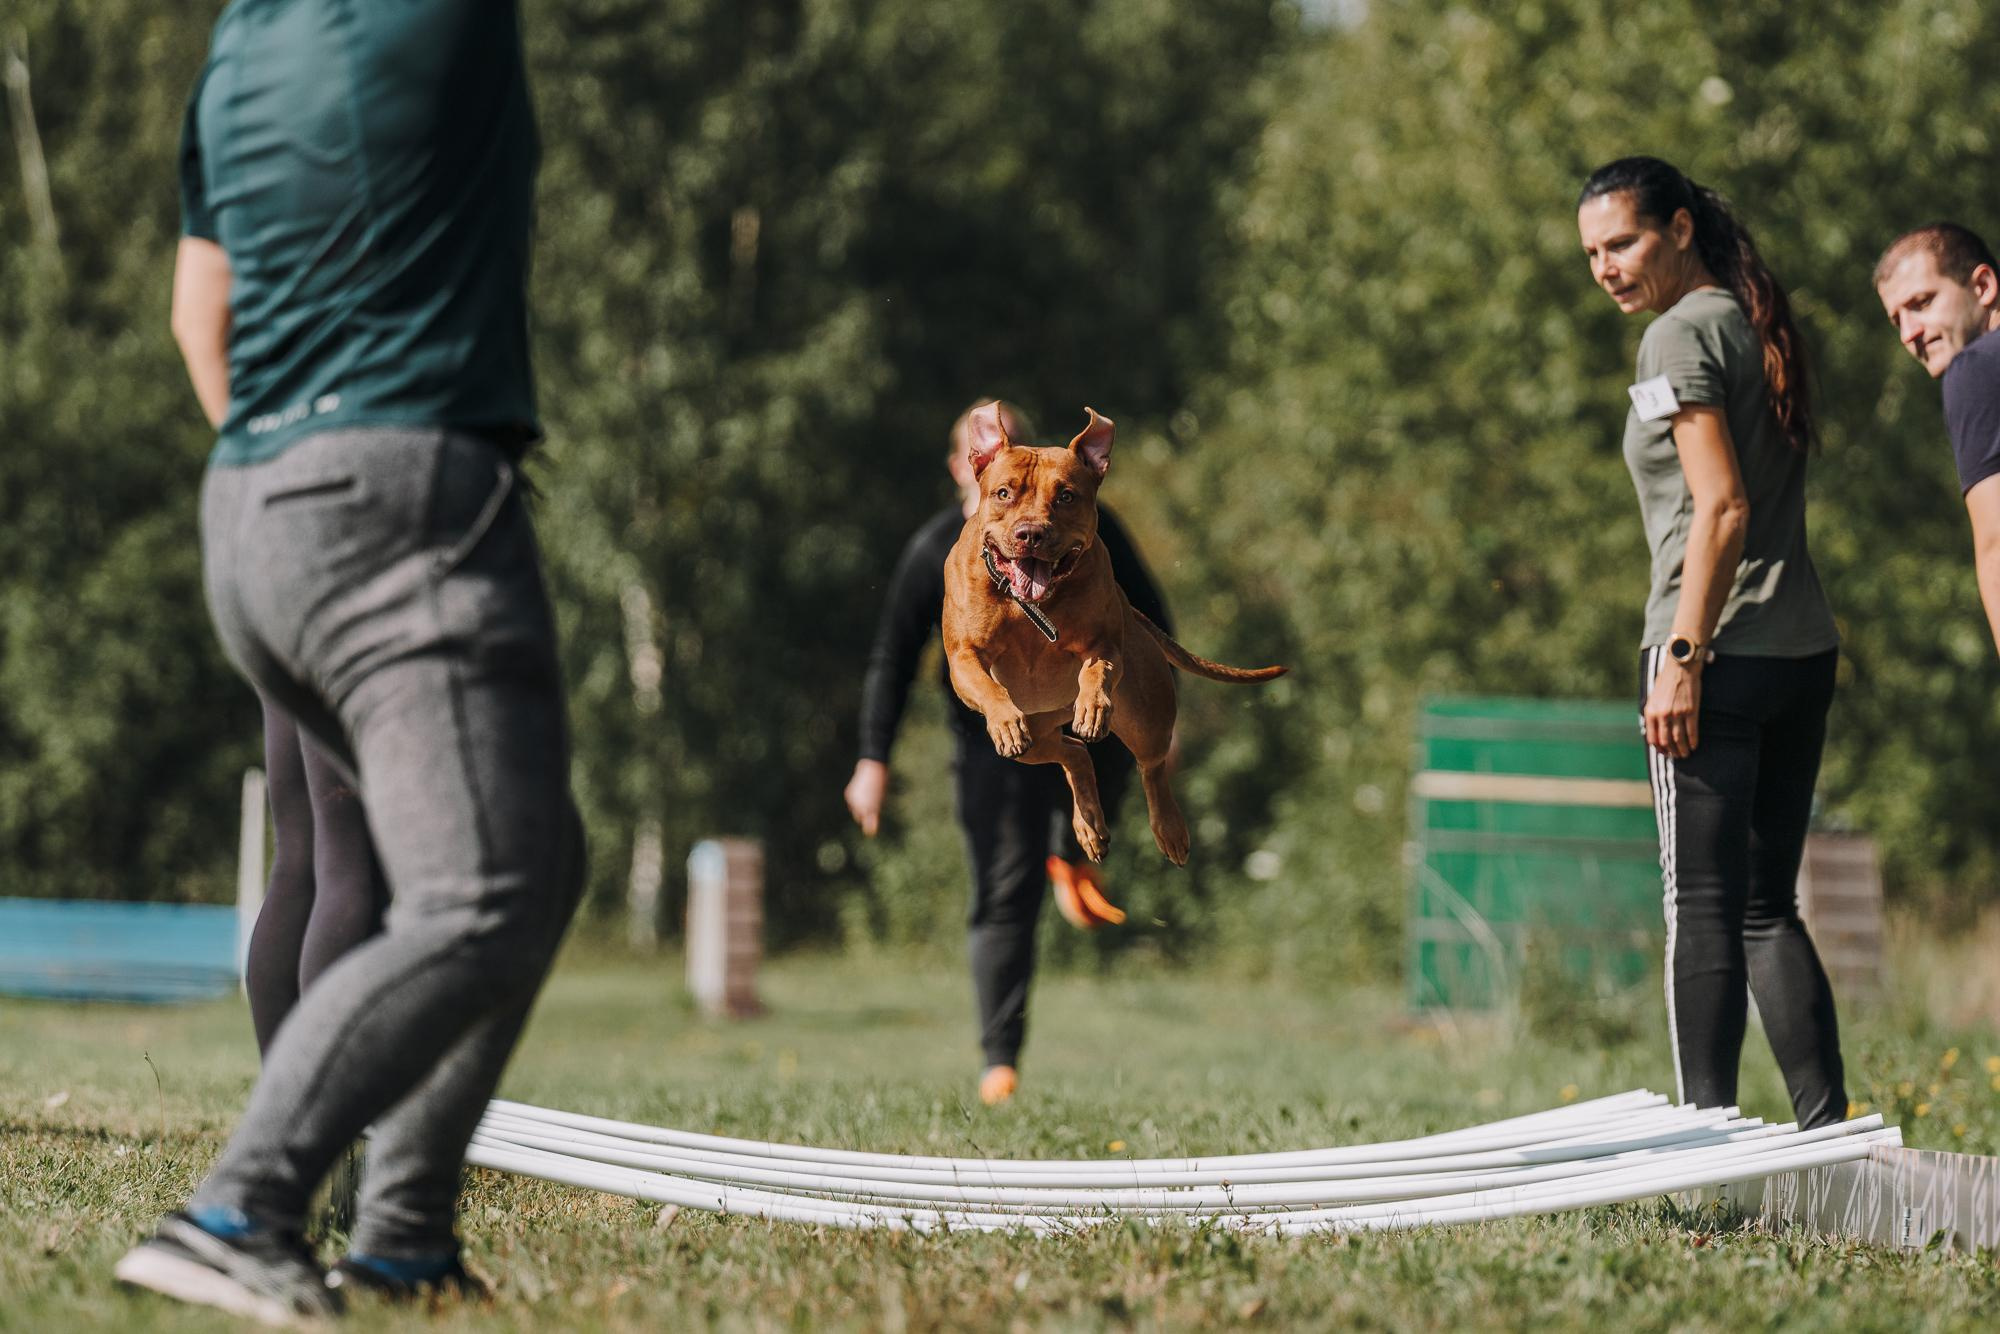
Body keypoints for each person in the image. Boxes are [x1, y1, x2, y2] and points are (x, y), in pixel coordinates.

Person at [117, 1, 583, 1321]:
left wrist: (298, 481)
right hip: (404, 490)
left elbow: (194, 310)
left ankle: (405, 1228)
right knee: (479, 896)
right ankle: (245, 1205)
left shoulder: (238, 48)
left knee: (533, 855)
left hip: (253, 499)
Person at [1575, 156, 1848, 1128]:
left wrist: (1682, 656)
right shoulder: (1746, 321)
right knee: (1767, 905)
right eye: (1593, 252)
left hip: (1714, 651)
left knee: (1700, 904)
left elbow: (1720, 504)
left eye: (1623, 242)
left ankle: (1703, 1137)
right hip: (1798, 650)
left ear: (1678, 228)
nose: (1605, 266)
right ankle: (1824, 1130)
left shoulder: (1673, 337)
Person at [843, 399, 1173, 1107]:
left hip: (1081, 714)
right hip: (989, 735)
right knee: (1002, 893)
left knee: (1106, 723)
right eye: (999, 482)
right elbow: (893, 658)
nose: (1028, 509)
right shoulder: (939, 547)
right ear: (970, 468)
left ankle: (1072, 849)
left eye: (1036, 475)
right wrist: (873, 758)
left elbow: (1149, 618)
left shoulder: (1086, 529)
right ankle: (1000, 1060)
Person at [1874, 223, 2000, 657]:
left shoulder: (1976, 368)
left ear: (1982, 286)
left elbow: (1997, 542)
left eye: (1922, 303)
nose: (1909, 332)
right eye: (1896, 319)